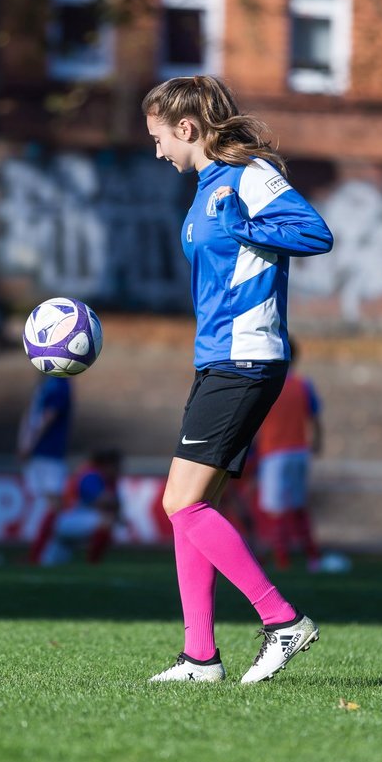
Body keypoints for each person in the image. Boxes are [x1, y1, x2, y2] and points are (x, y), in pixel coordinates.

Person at [142, 75, 333, 684]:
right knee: (189, 506)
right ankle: (200, 656)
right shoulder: (205, 190)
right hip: (217, 360)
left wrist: (248, 227)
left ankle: (281, 621)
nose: (157, 151)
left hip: (246, 358)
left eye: (158, 138)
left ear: (187, 129)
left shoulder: (247, 175)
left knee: (180, 501)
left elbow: (315, 232)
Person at [252, 338, 323, 572]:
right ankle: (313, 557)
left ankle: (282, 560)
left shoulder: (267, 382)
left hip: (274, 453)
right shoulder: (303, 385)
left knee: (276, 509)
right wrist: (317, 442)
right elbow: (314, 417)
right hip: (299, 451)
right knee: (298, 505)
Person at [36, 449, 124, 566]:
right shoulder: (91, 475)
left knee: (53, 565)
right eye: (117, 465)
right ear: (106, 464)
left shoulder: (107, 479)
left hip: (77, 521)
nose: (119, 469)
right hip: (66, 520)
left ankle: (91, 562)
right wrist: (115, 506)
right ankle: (93, 564)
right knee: (106, 521)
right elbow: (103, 500)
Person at [18, 373, 72, 557]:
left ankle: (47, 551)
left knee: (51, 502)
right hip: (43, 452)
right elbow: (33, 415)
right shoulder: (48, 384)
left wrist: (29, 442)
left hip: (49, 452)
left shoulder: (58, 384)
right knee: (46, 502)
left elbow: (48, 416)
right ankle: (43, 550)